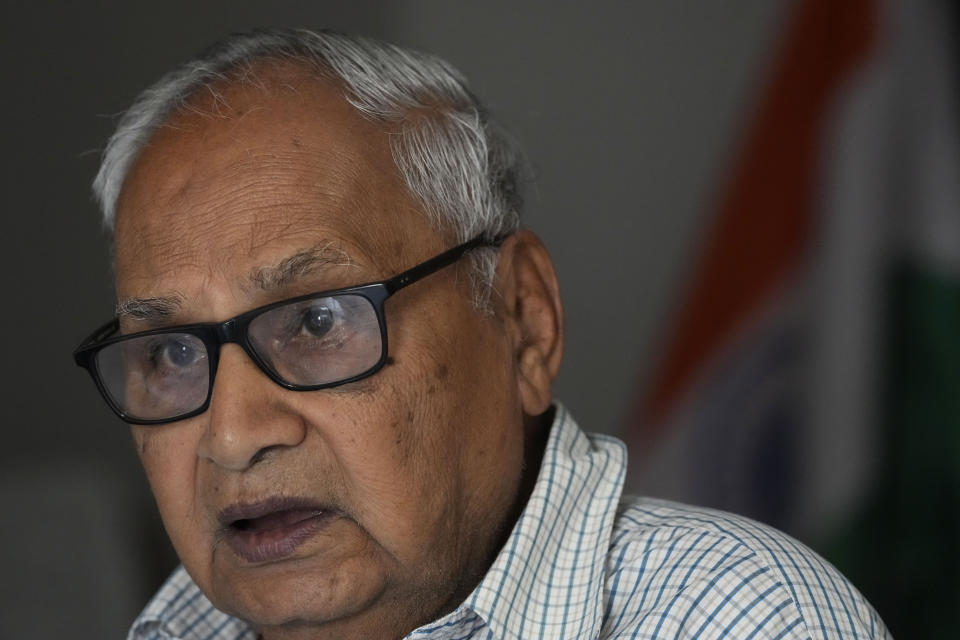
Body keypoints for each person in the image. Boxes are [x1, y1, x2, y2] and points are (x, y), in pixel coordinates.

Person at [74, 28, 891, 640]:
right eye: (172, 353)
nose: (232, 434)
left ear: (524, 321)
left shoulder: (740, 619)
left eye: (318, 321)